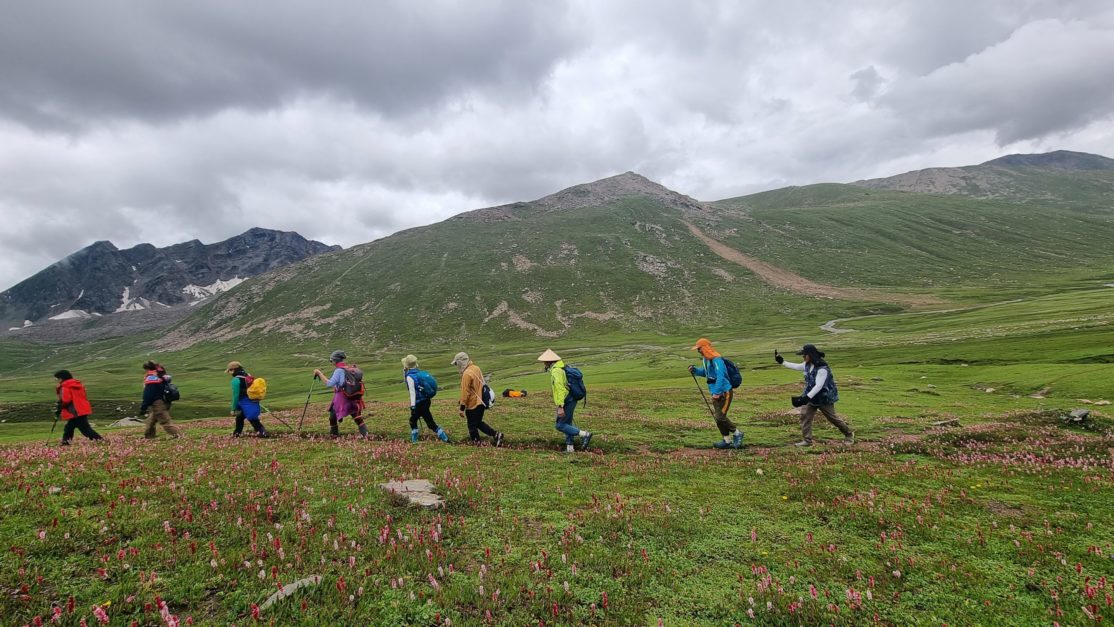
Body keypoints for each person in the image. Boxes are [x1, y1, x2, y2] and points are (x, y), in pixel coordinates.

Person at [775, 344, 854, 446]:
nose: (803, 357)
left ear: (811, 355)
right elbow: (796, 366)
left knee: (832, 418)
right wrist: (782, 362)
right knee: (805, 416)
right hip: (811, 398)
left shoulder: (822, 369)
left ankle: (849, 434)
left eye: (804, 355)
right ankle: (807, 440)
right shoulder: (807, 364)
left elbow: (819, 386)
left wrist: (806, 398)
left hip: (824, 398)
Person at [688, 338, 744, 449]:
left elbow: (721, 376)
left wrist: (718, 392)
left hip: (724, 392)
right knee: (718, 417)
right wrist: (695, 370)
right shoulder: (706, 360)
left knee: (720, 417)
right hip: (715, 392)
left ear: (705, 348)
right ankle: (726, 440)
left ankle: (738, 433)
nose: (699, 351)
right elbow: (706, 373)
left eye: (699, 349)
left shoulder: (717, 360)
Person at [538, 349, 592, 453]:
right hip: (570, 398)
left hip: (567, 400)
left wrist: (560, 406)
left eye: (544, 361)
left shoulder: (556, 370)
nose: (543, 363)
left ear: (549, 361)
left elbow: (560, 388)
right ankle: (570, 448)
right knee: (567, 423)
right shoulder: (560, 367)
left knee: (560, 425)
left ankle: (585, 435)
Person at [451, 352, 503, 446]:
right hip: (482, 401)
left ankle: (477, 443)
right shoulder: (476, 368)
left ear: (460, 363)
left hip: (473, 403)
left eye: (456, 364)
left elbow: (465, 392)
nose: (456, 366)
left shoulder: (466, 374)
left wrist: (462, 408)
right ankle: (496, 435)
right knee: (478, 422)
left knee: (472, 425)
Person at [312, 350, 368, 438]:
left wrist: (319, 373)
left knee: (332, 417)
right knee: (357, 417)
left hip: (342, 398)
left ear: (335, 360)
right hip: (352, 397)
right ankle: (366, 436)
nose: (331, 362)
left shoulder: (338, 371)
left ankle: (334, 436)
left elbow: (329, 383)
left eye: (331, 360)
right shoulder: (347, 368)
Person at [402, 354, 449, 443]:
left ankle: (415, 441)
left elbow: (412, 392)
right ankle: (445, 438)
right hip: (426, 401)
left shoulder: (409, 376)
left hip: (418, 403)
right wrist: (404, 372)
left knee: (414, 421)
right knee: (428, 421)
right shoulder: (418, 373)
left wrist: (412, 406)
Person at [53, 370, 104, 445]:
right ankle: (66, 442)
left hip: (74, 411)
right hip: (82, 409)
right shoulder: (77, 384)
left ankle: (99, 440)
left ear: (62, 378)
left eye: (57, 378)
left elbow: (66, 399)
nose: (56, 380)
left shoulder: (65, 386)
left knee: (84, 429)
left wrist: (60, 406)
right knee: (70, 428)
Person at [226, 361, 269, 438]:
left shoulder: (235, 380)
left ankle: (263, 433)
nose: (229, 373)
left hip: (244, 402)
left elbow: (236, 395)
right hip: (253, 401)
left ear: (233, 370)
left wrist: (233, 408)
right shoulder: (248, 376)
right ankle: (236, 434)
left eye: (229, 371)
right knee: (240, 418)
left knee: (253, 419)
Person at [140, 361, 181, 439]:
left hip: (157, 403)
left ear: (148, 368)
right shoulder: (160, 376)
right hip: (164, 401)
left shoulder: (151, 377)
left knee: (165, 421)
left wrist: (144, 406)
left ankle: (178, 435)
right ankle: (148, 437)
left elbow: (148, 394)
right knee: (150, 421)